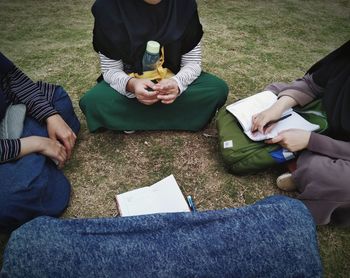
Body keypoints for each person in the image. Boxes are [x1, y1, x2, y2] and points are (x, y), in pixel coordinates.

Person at [1, 196, 322, 277]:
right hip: (290, 236)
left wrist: (176, 85)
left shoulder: (29, 247)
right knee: (289, 214)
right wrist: (130, 85)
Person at [79, 0, 228, 132]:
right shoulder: (107, 7)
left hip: (171, 80)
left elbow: (192, 63)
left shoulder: (184, 5)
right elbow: (111, 69)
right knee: (93, 102)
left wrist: (177, 84)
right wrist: (131, 85)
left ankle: (129, 119)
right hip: (130, 83)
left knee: (217, 89)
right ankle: (183, 117)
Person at [251, 40, 350, 226]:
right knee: (273, 93)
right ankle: (303, 166)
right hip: (325, 125)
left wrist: (311, 141)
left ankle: (304, 169)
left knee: (337, 181)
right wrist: (277, 108)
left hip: (339, 152)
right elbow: (312, 84)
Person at [0, 52, 80, 233]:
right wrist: (35, 143)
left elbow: (12, 77)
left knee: (59, 100)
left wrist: (48, 114)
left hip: (10, 116)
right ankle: (37, 159)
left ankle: (35, 161)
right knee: (10, 201)